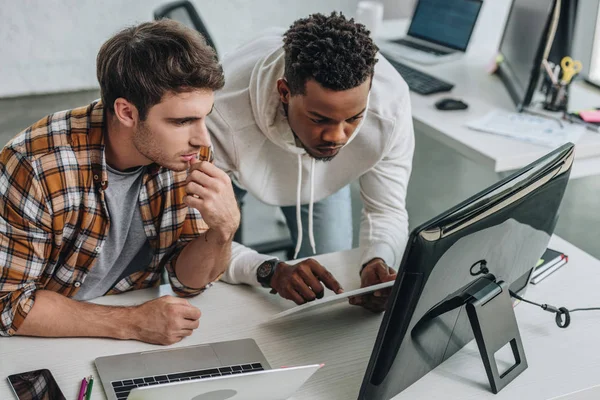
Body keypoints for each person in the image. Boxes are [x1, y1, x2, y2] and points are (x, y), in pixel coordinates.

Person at [0, 20, 240, 345]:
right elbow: (8, 304)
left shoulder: (186, 154)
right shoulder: (36, 167)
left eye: (204, 116)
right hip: (42, 339)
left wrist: (222, 231)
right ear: (127, 112)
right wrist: (133, 323)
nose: (202, 139)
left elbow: (188, 282)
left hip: (130, 331)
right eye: (182, 121)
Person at [208, 12, 414, 312]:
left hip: (320, 173)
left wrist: (378, 259)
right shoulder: (221, 113)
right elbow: (194, 239)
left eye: (354, 118)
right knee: (215, 286)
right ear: (285, 92)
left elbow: (387, 209)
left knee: (329, 286)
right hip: (234, 165)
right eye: (320, 119)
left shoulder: (390, 107)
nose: (337, 137)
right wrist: (270, 271)